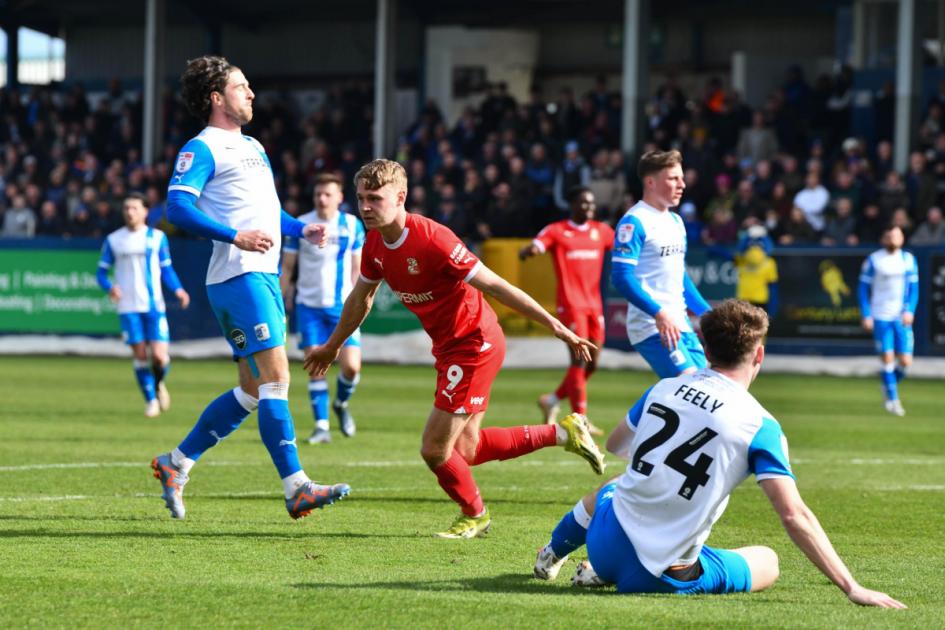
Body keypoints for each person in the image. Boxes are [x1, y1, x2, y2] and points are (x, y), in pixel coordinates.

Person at [532, 300, 906, 609]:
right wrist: (852, 587)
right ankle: (613, 570)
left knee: (617, 484)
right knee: (768, 561)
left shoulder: (665, 387)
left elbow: (615, 446)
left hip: (604, 541)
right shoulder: (761, 425)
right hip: (659, 575)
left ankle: (554, 551)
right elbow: (794, 515)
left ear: (705, 349)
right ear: (759, 354)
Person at [304, 159, 606, 539]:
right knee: (467, 448)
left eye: (375, 199)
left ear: (401, 197)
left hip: (474, 344)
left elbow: (496, 286)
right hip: (450, 349)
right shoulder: (376, 244)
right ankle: (565, 433)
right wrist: (333, 346)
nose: (365, 207)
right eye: (361, 198)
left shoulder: (433, 239)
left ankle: (475, 514)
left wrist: (555, 326)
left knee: (434, 449)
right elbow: (360, 299)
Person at [150, 55, 350, 521]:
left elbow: (262, 212)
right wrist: (234, 236)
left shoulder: (254, 145)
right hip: (240, 276)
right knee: (278, 378)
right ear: (217, 98)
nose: (252, 94)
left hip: (256, 275)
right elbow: (177, 209)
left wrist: (300, 232)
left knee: (254, 390)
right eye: (242, 87)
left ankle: (175, 463)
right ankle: (297, 487)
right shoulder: (202, 148)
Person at [519, 186, 614, 435]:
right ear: (571, 205)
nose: (588, 208)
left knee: (592, 363)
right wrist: (530, 251)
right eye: (583, 203)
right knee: (579, 359)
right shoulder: (558, 231)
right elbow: (539, 244)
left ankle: (551, 400)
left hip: (594, 304)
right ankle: (579, 419)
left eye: (591, 204)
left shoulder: (601, 232)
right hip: (571, 305)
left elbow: (624, 247)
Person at [281, 172, 365, 444]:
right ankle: (321, 426)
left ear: (340, 197)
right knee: (316, 367)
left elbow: (357, 269)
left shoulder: (352, 226)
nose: (322, 199)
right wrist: (281, 301)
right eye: (318, 194)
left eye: (328, 194)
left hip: (342, 307)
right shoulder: (301, 225)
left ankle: (340, 404)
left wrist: (358, 303)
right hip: (309, 307)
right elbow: (288, 267)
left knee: (351, 367)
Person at [611, 150, 711, 378]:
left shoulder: (676, 221)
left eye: (681, 178)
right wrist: (659, 313)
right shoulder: (634, 221)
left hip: (681, 324)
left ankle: (634, 416)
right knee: (690, 388)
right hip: (651, 326)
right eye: (673, 178)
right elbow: (621, 277)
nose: (682, 184)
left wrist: (707, 314)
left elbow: (679, 276)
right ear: (650, 182)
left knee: (707, 387)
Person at [97, 192, 190, 417]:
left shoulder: (157, 238)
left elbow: (166, 269)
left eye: (135, 208)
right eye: (127, 208)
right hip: (128, 307)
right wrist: (111, 287)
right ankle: (151, 401)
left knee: (158, 356)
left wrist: (178, 289)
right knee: (140, 355)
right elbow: (101, 273)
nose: (130, 212)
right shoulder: (114, 239)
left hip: (154, 305)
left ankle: (158, 384)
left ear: (145, 211)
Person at [858, 225, 919, 416]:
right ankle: (893, 400)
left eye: (896, 236)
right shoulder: (874, 260)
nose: (893, 239)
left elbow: (914, 289)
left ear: (902, 238)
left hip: (901, 317)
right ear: (884, 239)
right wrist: (867, 314)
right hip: (881, 316)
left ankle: (888, 383)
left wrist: (910, 310)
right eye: (890, 236)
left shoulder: (908, 260)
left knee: (906, 362)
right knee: (887, 358)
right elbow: (862, 289)